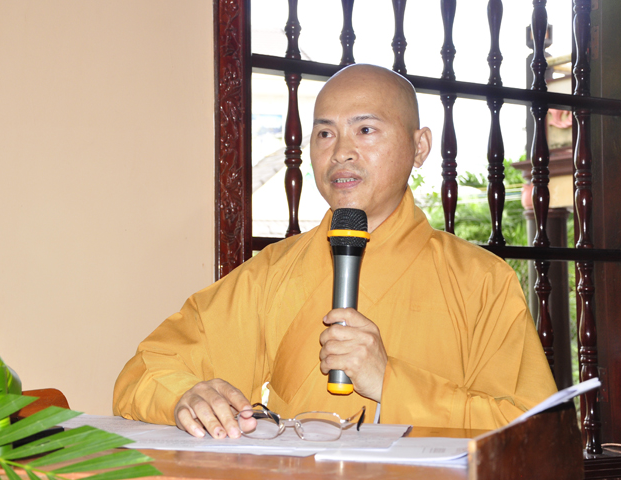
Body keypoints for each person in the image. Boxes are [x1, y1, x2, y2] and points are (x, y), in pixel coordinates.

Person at [113, 64, 557, 440]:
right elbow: (146, 371)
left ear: (419, 147)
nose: (341, 152)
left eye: (365, 130)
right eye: (325, 133)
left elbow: (534, 430)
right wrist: (186, 396)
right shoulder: (272, 271)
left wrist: (390, 381)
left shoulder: (482, 281)